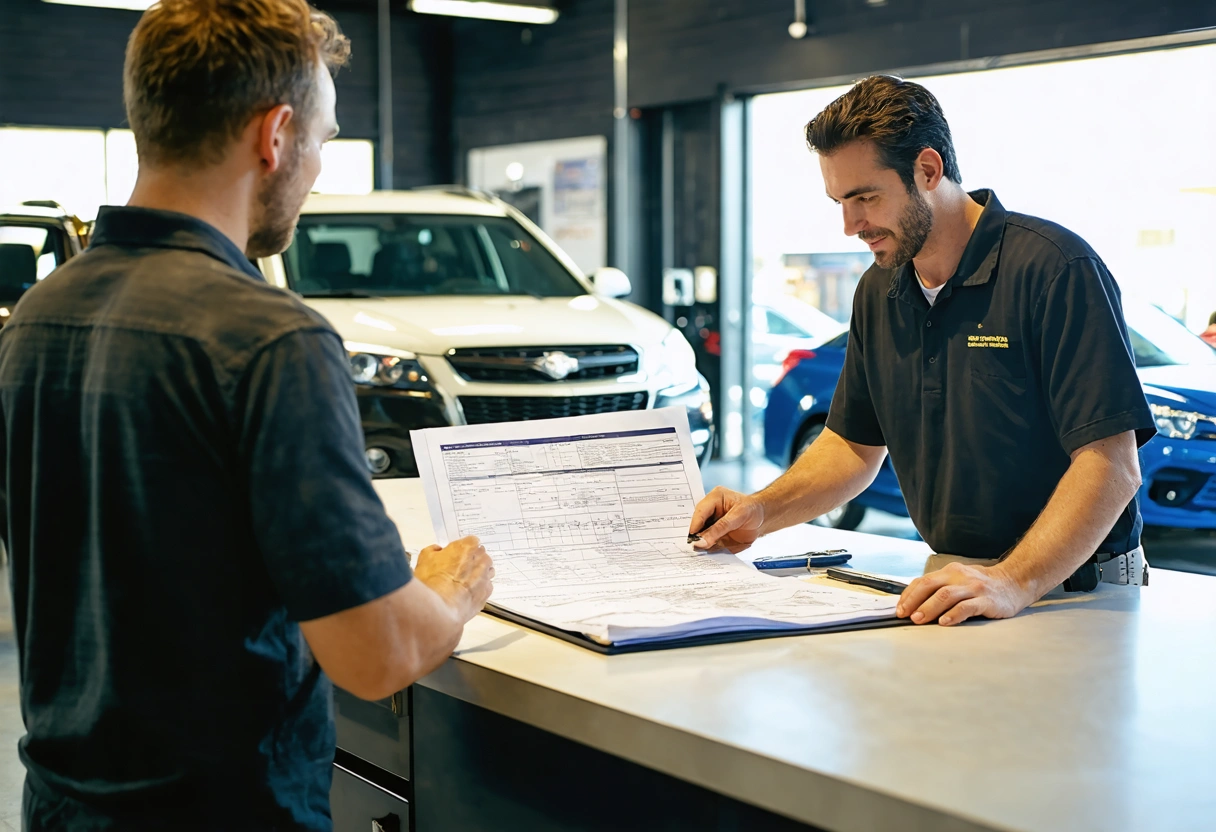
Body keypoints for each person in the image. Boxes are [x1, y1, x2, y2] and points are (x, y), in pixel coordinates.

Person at [0, 1, 493, 829]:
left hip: (60, 805)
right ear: (275, 136)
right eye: (324, 142)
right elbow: (378, 655)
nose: (318, 172)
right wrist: (449, 595)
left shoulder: (37, 317)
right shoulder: (270, 339)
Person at [689, 75, 1154, 627]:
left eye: (865, 197)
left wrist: (1015, 579)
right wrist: (761, 510)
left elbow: (1111, 465)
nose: (850, 225)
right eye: (840, 201)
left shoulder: (1054, 269)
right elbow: (851, 447)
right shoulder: (878, 290)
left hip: (1077, 584)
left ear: (928, 171)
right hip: (959, 580)